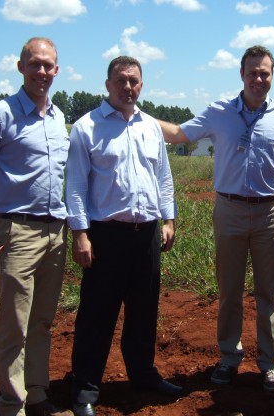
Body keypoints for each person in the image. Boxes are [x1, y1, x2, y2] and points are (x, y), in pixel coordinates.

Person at [158, 45, 274, 393]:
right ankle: (229, 356)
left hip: (270, 213)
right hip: (229, 210)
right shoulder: (220, 112)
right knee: (229, 290)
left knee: (269, 293)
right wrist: (136, 116)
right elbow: (180, 134)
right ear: (242, 75)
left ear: (272, 76)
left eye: (265, 73)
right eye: (252, 73)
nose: (259, 79)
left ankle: (269, 364)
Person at [0, 37, 72, 416]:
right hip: (17, 231)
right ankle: (12, 405)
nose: (42, 71)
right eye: (34, 64)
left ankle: (36, 395)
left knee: (41, 321)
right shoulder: (0, 115)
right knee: (15, 323)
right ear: (21, 67)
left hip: (55, 232)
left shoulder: (57, 118)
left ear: (57, 70)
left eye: (48, 65)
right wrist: (2, 212)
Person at [66, 56, 180, 416]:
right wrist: (80, 234)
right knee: (97, 313)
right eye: (120, 80)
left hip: (147, 234)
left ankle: (143, 375)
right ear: (108, 85)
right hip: (106, 235)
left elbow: (163, 177)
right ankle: (85, 387)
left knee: (144, 310)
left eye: (133, 81)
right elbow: (75, 185)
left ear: (141, 85)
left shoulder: (150, 127)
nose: (127, 87)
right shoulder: (87, 127)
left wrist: (168, 220)